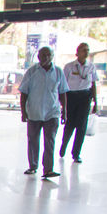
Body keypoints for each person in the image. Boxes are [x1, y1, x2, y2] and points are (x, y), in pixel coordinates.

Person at [19, 46, 67, 179]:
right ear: (38, 57)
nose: (45, 57)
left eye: (48, 55)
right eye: (43, 55)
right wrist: (23, 112)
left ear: (52, 56)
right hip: (34, 112)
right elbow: (24, 92)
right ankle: (33, 166)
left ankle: (48, 169)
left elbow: (62, 92)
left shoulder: (58, 72)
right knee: (33, 140)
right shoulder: (32, 72)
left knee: (50, 141)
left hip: (52, 113)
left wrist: (65, 111)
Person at [59, 42, 97, 163]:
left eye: (88, 50)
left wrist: (95, 101)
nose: (86, 52)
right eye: (83, 50)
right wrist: (62, 102)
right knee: (70, 124)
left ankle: (76, 153)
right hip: (71, 96)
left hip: (85, 97)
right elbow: (63, 84)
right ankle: (64, 145)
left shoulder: (91, 67)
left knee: (81, 126)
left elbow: (93, 84)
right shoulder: (69, 66)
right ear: (77, 52)